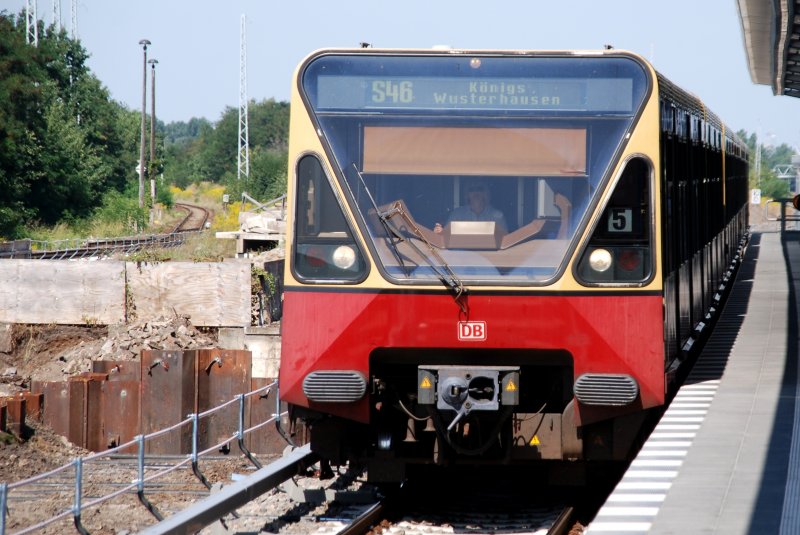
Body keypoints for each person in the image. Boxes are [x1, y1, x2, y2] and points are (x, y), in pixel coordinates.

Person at [433, 180, 507, 234]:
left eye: (479, 189)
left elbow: (504, 241)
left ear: (485, 193)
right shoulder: (457, 214)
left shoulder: (497, 216)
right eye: (472, 190)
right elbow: (446, 238)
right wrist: (440, 233)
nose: (476, 193)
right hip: (461, 254)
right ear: (467, 194)